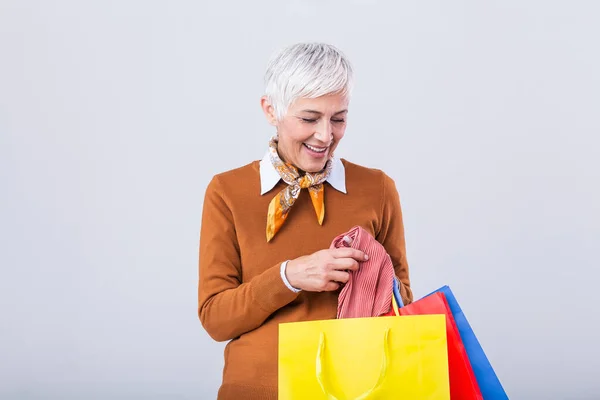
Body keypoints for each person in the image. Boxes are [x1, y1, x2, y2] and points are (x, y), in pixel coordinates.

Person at [197, 42, 413, 399]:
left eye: (339, 118)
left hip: (360, 390)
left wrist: (372, 272)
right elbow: (216, 319)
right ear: (271, 110)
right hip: (260, 391)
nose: (326, 136)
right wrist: (289, 277)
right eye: (309, 118)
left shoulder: (378, 189)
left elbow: (403, 302)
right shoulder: (227, 191)